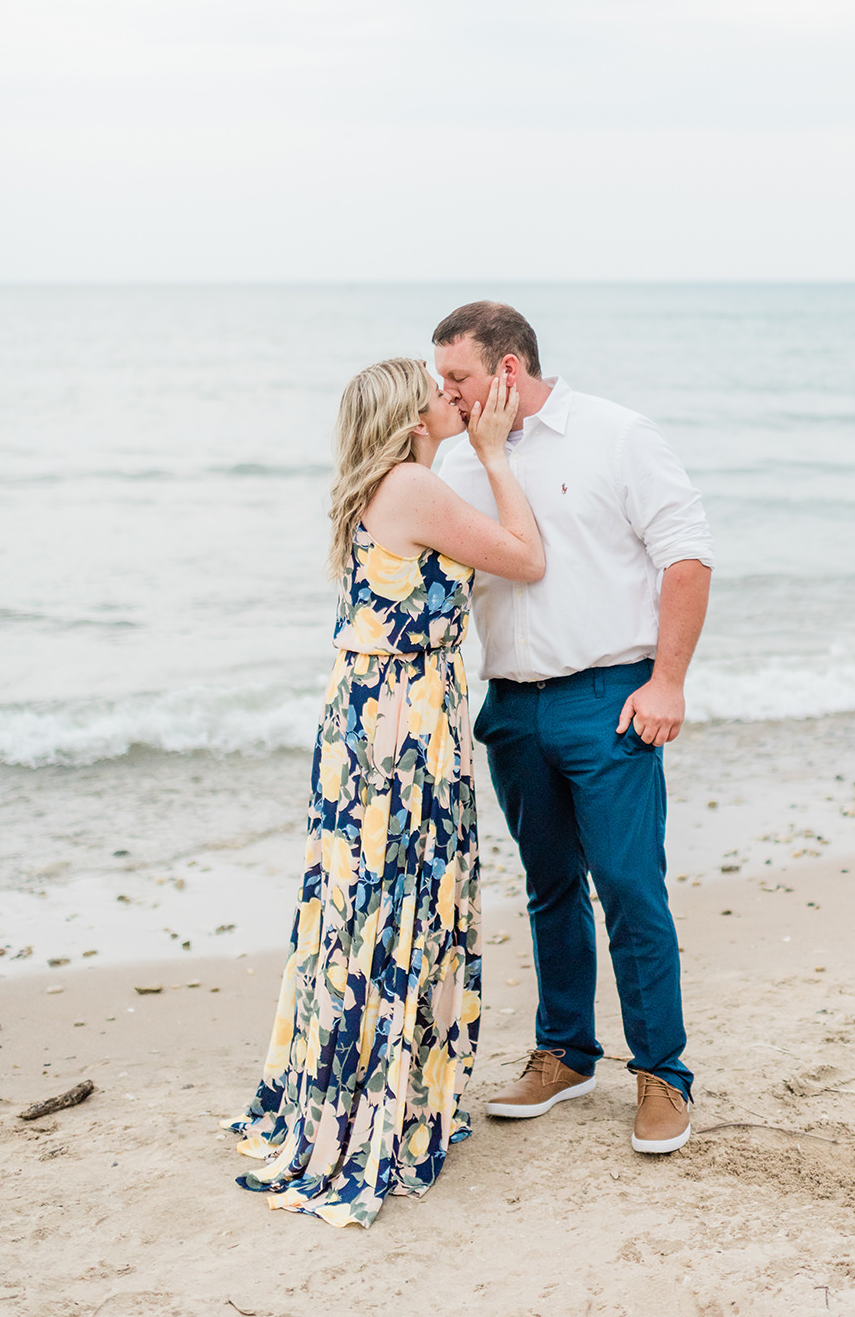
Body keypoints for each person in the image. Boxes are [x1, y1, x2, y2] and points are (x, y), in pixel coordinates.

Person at [228, 358, 544, 1226]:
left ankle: (379, 1093)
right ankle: (378, 1108)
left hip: (379, 710)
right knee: (394, 902)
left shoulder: (390, 481)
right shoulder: (412, 484)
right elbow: (526, 557)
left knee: (368, 905)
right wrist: (496, 457)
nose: (456, 398)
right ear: (409, 417)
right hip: (400, 721)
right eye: (439, 393)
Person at [434, 302, 713, 1155]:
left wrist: (667, 681)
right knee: (548, 887)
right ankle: (565, 1054)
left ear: (508, 370)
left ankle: (662, 1073)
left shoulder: (617, 434)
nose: (444, 392)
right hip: (512, 706)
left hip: (611, 698)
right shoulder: (455, 459)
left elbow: (687, 554)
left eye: (458, 377)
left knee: (629, 887)